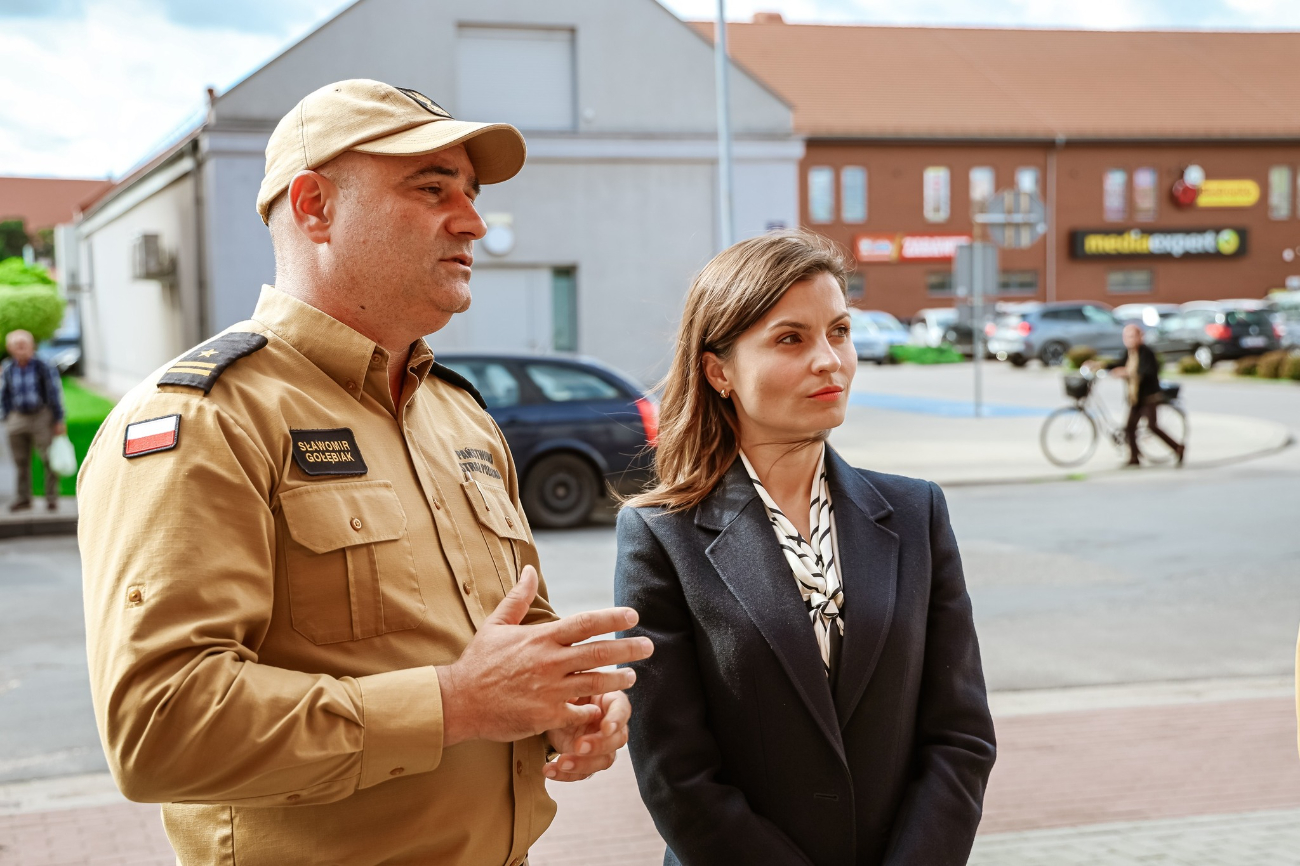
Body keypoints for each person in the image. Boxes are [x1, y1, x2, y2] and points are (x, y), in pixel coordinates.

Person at [78, 79, 653, 866]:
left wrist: (565, 704)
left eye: (473, 193)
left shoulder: (460, 416)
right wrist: (454, 705)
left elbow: (511, 642)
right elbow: (159, 729)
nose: (474, 220)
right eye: (432, 187)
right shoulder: (207, 420)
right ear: (314, 205)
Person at [614, 230, 996, 866]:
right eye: (791, 338)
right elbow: (675, 774)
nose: (830, 360)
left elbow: (959, 736)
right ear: (719, 371)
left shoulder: (915, 513)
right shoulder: (662, 535)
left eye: (839, 331)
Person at [1098, 323, 1185, 467]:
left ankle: (1178, 448)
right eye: (1126, 336)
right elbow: (1118, 364)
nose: (1129, 339)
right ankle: (1134, 458)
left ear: (1140, 336)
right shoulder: (1129, 353)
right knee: (1130, 426)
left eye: (1132, 336)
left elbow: (1146, 372)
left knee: (1152, 426)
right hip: (1135, 397)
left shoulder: (1147, 353)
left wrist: (1126, 373)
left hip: (1149, 397)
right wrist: (1100, 365)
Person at [2, 328, 66, 512]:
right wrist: (6, 416)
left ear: (32, 346)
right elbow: (4, 394)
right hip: (17, 417)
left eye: (24, 344)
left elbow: (54, 393)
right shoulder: (8, 367)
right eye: (16, 344)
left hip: (41, 416)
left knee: (48, 459)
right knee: (20, 461)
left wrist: (58, 419)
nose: (20, 347)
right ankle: (24, 498)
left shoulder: (43, 365)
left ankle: (52, 498)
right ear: (10, 348)